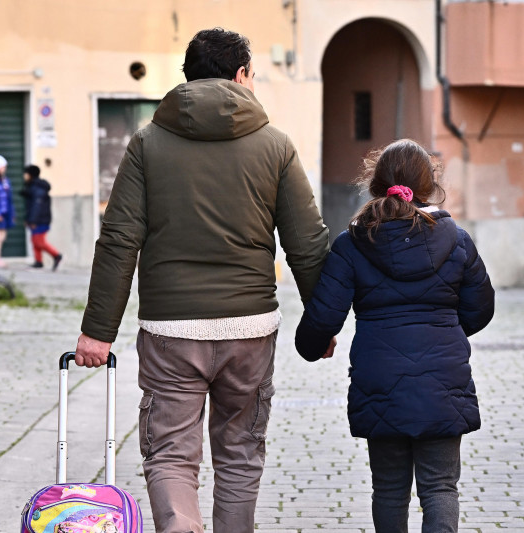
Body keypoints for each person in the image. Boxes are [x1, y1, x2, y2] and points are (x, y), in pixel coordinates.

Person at [73, 28, 331, 533]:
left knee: (169, 453)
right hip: (250, 330)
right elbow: (308, 243)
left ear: (187, 77)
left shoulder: (148, 143)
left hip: (172, 332)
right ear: (241, 76)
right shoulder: (275, 145)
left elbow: (118, 240)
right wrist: (320, 325)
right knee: (239, 456)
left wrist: (98, 331)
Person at [295, 139, 495, 532]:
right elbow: (481, 309)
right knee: (440, 488)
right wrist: (445, 329)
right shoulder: (456, 240)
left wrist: (314, 346)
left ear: (375, 183)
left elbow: (322, 319)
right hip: (443, 380)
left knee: (388, 489)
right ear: (429, 184)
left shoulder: (352, 243)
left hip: (380, 380)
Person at [20, 164, 63, 271]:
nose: (24, 176)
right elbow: (30, 206)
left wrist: (32, 220)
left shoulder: (38, 189)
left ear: (30, 175)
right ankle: (38, 261)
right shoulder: (32, 187)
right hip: (36, 219)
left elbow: (36, 207)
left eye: (26, 173)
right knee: (34, 240)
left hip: (40, 220)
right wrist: (27, 219)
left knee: (39, 241)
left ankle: (56, 255)